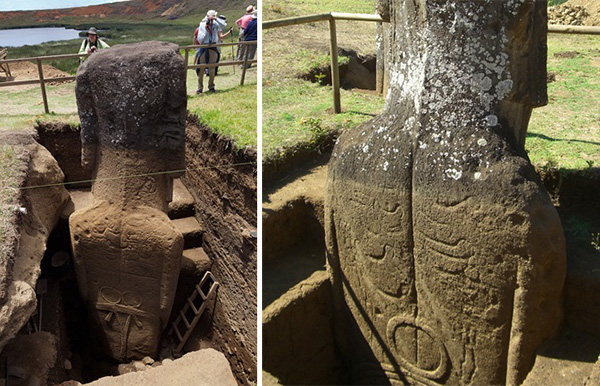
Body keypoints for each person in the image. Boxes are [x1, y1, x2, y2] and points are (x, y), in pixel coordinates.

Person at [195, 10, 232, 94]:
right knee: (201, 69)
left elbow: (223, 25)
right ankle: (200, 88)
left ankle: (211, 86)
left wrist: (215, 19)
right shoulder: (202, 24)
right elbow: (200, 39)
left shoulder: (216, 24)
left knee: (212, 68)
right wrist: (205, 28)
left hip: (213, 46)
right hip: (204, 46)